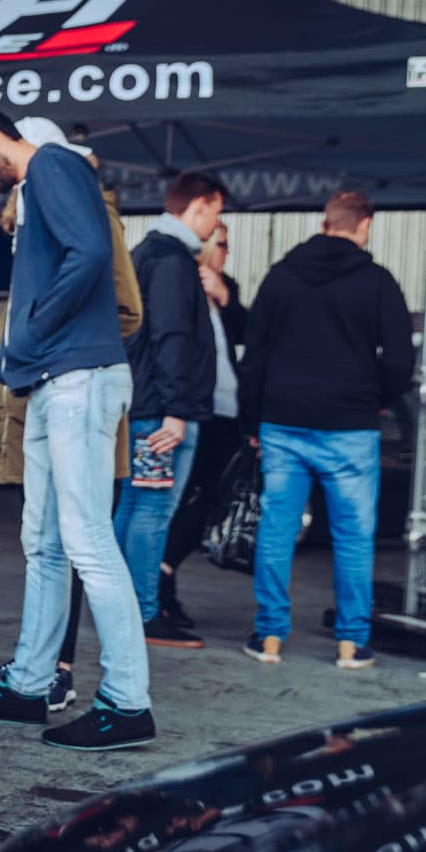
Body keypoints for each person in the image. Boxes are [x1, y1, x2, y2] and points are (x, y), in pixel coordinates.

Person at [0, 108, 154, 752]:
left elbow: (91, 252)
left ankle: (127, 702)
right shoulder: (36, 185)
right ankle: (29, 685)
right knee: (45, 541)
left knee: (87, 540)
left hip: (77, 376)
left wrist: (32, 330)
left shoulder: (54, 165)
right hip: (50, 379)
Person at [238, 188, 412, 670]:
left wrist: (251, 422)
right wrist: (374, 397)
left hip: (282, 423)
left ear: (323, 223)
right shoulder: (378, 282)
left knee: (277, 530)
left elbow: (254, 356)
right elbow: (400, 360)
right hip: (350, 427)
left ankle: (270, 636)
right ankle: (351, 643)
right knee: (353, 537)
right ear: (365, 225)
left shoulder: (280, 277)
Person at [117, 172, 227, 649]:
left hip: (146, 405)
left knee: (134, 504)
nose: (215, 224)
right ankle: (141, 613)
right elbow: (171, 336)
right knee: (152, 508)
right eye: (216, 212)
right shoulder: (170, 259)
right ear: (199, 205)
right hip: (163, 412)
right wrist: (177, 410)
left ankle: (121, 607)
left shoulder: (147, 252)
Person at [157, 220, 248, 626]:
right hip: (190, 408)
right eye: (221, 244)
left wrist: (225, 298)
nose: (225, 253)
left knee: (212, 499)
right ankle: (158, 584)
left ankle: (164, 573)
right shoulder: (177, 279)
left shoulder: (227, 288)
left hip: (227, 410)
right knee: (172, 499)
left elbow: (250, 335)